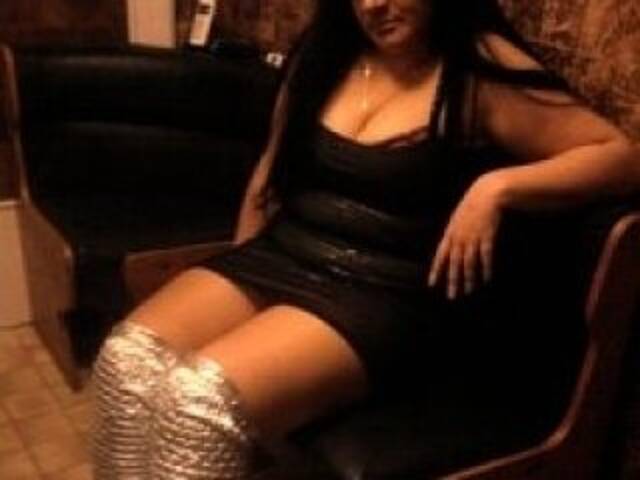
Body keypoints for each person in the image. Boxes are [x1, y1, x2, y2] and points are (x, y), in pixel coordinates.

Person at [91, 0, 639, 478]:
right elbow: (268, 176)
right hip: (284, 254)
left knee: (197, 403)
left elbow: (621, 157)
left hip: (382, 292)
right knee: (125, 363)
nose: (374, 4)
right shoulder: (325, 53)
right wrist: (238, 266)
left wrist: (497, 188)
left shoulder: (476, 66)